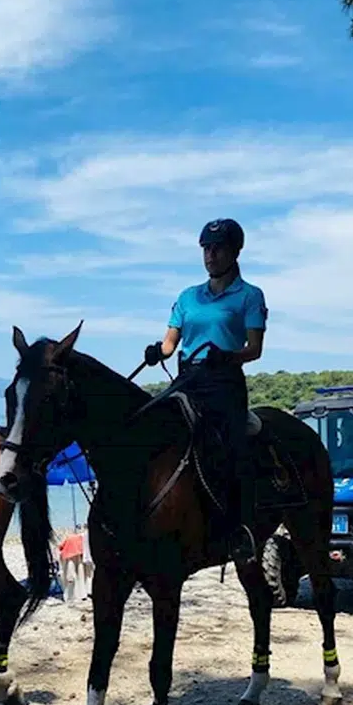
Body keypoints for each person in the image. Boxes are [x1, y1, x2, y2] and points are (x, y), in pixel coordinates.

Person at [143, 217, 267, 563]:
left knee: (231, 445)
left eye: (217, 249)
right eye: (206, 249)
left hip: (224, 382)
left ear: (235, 252)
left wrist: (228, 356)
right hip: (187, 379)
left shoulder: (250, 296)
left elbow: (254, 349)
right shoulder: (187, 297)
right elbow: (170, 345)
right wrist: (157, 352)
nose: (210, 256)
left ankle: (240, 529)